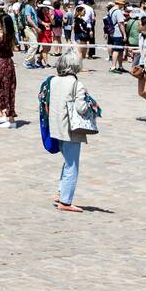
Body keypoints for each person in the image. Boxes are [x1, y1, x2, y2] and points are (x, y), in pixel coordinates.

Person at [43, 50, 97, 212]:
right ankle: (65, 201)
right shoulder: (77, 84)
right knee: (72, 165)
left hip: (56, 127)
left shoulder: (53, 81)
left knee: (67, 161)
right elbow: (80, 108)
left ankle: (61, 192)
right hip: (71, 129)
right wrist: (89, 102)